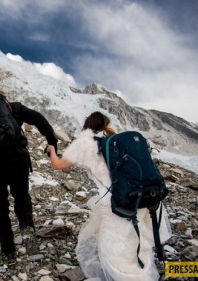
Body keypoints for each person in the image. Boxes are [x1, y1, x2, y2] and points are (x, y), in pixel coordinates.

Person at [46, 111, 171, 281]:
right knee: (136, 238)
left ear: (87, 126)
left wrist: (52, 150)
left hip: (116, 202)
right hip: (141, 196)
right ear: (106, 124)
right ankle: (144, 269)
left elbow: (57, 165)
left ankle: (130, 277)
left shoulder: (84, 143)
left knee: (114, 247)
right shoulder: (118, 141)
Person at [0, 90, 58, 267]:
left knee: (0, 205)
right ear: (3, 100)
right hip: (17, 159)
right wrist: (52, 142)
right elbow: (39, 119)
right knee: (22, 196)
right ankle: (26, 228)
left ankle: (8, 252)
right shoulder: (13, 109)